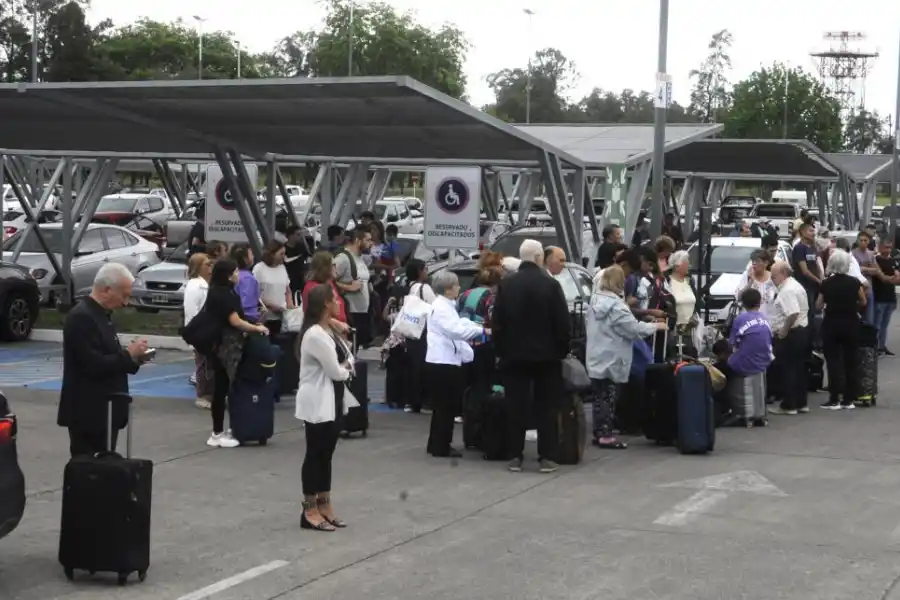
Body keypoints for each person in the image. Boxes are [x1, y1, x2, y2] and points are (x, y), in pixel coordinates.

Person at [493, 239, 571, 474]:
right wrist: (561, 350)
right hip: (546, 357)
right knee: (546, 406)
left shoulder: (507, 285)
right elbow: (562, 323)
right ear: (539, 258)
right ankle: (546, 456)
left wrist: (501, 351)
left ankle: (515, 456)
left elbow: (498, 323)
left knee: (516, 405)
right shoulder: (550, 285)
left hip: (514, 356)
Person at [58, 264, 150, 457]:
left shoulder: (101, 316)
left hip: (106, 411)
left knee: (106, 471)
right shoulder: (82, 317)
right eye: (124, 295)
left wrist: (134, 358)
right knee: (90, 471)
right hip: (90, 412)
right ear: (107, 290)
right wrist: (127, 355)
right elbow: (92, 364)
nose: (126, 302)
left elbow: (109, 357)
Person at [294, 283, 357, 532]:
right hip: (318, 399)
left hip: (334, 398)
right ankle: (309, 508)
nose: (339, 303)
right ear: (325, 305)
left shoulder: (327, 330)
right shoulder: (315, 335)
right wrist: (347, 368)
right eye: (335, 300)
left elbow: (349, 355)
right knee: (315, 453)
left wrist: (347, 363)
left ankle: (325, 503)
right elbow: (337, 370)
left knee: (327, 454)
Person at [586, 266, 665, 449]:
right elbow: (633, 329)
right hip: (613, 356)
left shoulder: (596, 300)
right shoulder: (616, 306)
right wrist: (656, 327)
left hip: (596, 353)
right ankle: (606, 435)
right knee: (609, 396)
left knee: (599, 396)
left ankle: (599, 432)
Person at [203, 257, 270, 448]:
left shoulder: (220, 292)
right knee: (224, 386)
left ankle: (225, 428)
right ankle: (217, 432)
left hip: (223, 344)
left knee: (225, 386)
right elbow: (235, 321)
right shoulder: (224, 295)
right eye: (234, 271)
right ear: (227, 274)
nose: (237, 275)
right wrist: (256, 328)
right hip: (226, 346)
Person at [424, 271, 486, 458]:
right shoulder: (442, 308)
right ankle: (441, 445)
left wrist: (477, 328)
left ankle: (435, 443)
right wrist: (482, 331)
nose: (459, 288)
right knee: (446, 406)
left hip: (441, 360)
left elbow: (459, 324)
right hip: (444, 361)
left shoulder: (445, 306)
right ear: (448, 289)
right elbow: (456, 330)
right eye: (457, 285)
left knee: (441, 406)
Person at [816, 250, 866, 410]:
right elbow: (863, 301)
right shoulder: (854, 282)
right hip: (851, 323)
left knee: (833, 361)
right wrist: (854, 306)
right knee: (851, 361)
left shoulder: (826, 283)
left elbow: (818, 304)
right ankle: (849, 398)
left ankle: (834, 398)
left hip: (831, 323)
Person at [768, 261, 810, 416]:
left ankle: (789, 405)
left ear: (783, 274)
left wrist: (784, 331)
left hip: (792, 333)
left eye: (774, 276)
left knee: (788, 370)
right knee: (799, 369)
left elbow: (793, 313)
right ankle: (801, 403)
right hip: (801, 332)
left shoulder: (787, 290)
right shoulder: (795, 285)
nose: (772, 280)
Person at [404, 258, 436, 413]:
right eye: (425, 269)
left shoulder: (408, 286)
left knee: (413, 366)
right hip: (423, 330)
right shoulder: (425, 288)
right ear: (419, 271)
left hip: (410, 329)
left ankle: (412, 401)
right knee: (424, 366)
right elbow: (435, 307)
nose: (427, 272)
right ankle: (425, 402)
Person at [334, 228, 373, 347]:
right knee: (349, 346)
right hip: (351, 311)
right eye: (368, 240)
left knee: (357, 345)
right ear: (357, 240)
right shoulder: (343, 258)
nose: (371, 243)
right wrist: (348, 287)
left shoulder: (360, 258)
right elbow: (327, 279)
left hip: (362, 311)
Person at [184, 252, 214, 410]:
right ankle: (201, 395)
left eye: (210, 265)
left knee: (207, 364)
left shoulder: (206, 284)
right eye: (207, 265)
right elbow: (191, 312)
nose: (210, 268)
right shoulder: (195, 286)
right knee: (202, 364)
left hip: (207, 331)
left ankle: (208, 393)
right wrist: (196, 334)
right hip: (199, 332)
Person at [727, 288, 774, 377]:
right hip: (764, 363)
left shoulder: (740, 319)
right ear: (760, 303)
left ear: (743, 304)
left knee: (727, 361)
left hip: (745, 365)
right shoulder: (765, 319)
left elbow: (732, 344)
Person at [253, 239, 295, 336]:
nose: (284, 257)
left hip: (283, 316)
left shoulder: (282, 268)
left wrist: (290, 306)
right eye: (281, 254)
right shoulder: (259, 268)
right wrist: (271, 305)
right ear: (271, 254)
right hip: (266, 316)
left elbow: (287, 290)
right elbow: (255, 292)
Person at [302, 251, 349, 333]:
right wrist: (335, 323)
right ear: (324, 267)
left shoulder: (330, 284)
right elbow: (313, 316)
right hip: (324, 332)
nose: (336, 267)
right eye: (333, 265)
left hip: (339, 331)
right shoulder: (311, 288)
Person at [666, 250, 698, 352]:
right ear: (677, 266)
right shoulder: (667, 281)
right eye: (686, 263)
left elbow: (696, 302)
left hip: (690, 331)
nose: (689, 265)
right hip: (673, 331)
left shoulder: (689, 281)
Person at [791, 222, 822, 326]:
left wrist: (821, 278)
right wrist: (819, 281)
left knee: (814, 313)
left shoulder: (812, 247)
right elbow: (805, 271)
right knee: (808, 314)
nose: (813, 233)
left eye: (814, 231)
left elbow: (816, 265)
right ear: (802, 232)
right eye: (810, 231)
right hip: (805, 286)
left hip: (814, 286)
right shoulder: (799, 248)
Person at [872, 239, 899, 355]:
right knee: (877, 324)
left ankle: (882, 346)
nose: (888, 250)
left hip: (890, 297)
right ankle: (875, 347)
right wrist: (892, 279)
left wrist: (893, 279)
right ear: (880, 247)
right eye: (886, 247)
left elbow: (898, 277)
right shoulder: (876, 260)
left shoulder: (893, 261)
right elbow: (881, 277)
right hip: (880, 296)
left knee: (885, 324)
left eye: (889, 247)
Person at [735, 249, 778, 318]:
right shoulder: (747, 276)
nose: (754, 263)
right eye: (753, 261)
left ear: (766, 263)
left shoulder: (772, 278)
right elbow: (739, 297)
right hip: (749, 320)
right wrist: (750, 282)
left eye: (757, 261)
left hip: (767, 320)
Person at [851, 231, 878, 325]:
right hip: (856, 289)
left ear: (869, 241)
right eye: (861, 240)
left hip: (869, 288)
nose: (863, 242)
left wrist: (862, 268)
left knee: (869, 321)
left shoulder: (871, 254)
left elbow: (876, 271)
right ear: (857, 241)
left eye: (865, 240)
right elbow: (853, 271)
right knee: (855, 319)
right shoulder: (853, 254)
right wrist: (866, 268)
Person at [231, 243, 262, 323]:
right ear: (245, 258)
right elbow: (247, 303)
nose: (253, 256)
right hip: (248, 318)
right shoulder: (248, 278)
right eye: (251, 254)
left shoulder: (233, 274)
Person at [283, 226, 314, 295]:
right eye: (298, 234)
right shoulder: (283, 249)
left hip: (300, 279)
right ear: (291, 236)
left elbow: (308, 258)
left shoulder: (301, 247)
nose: (300, 237)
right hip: (288, 280)